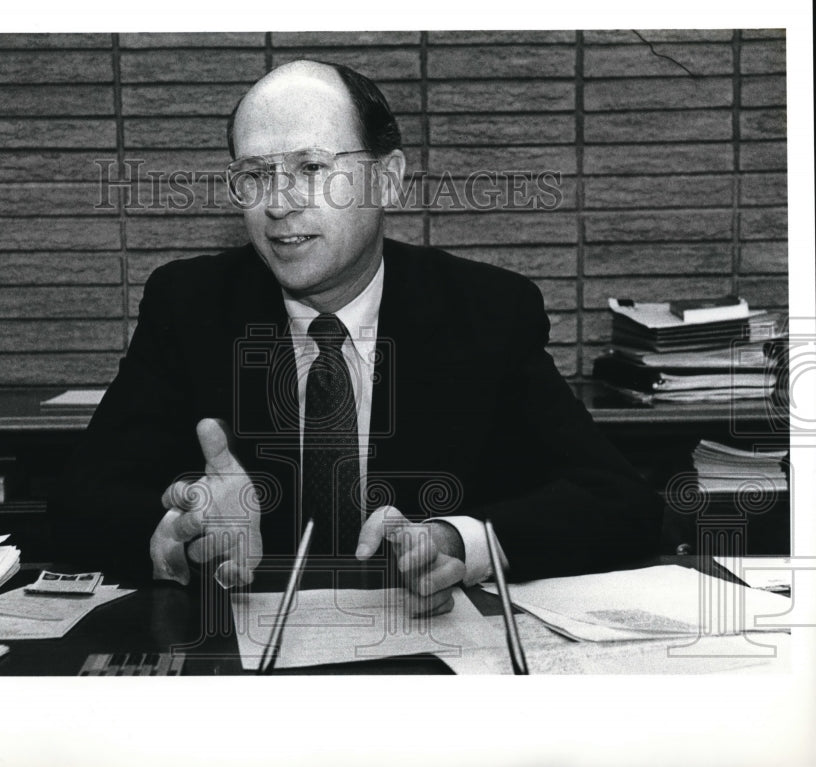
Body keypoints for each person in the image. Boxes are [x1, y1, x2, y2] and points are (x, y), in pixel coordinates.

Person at [54, 60, 662, 615]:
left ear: (388, 180)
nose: (280, 204)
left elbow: (621, 505)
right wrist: (176, 533)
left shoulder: (486, 311)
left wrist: (457, 540)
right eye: (255, 176)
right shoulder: (189, 306)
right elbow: (78, 504)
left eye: (312, 168)